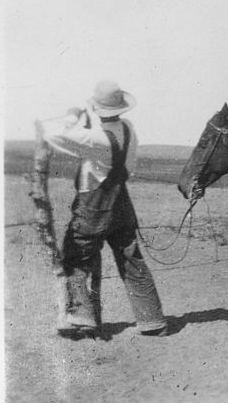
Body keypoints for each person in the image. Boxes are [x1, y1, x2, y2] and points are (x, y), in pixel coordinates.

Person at [40, 80, 167, 338]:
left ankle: (80, 319)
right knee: (132, 260)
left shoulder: (96, 138)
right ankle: (153, 321)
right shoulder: (128, 128)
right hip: (122, 202)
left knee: (75, 257)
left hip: (94, 207)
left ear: (98, 109)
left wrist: (71, 118)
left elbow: (52, 136)